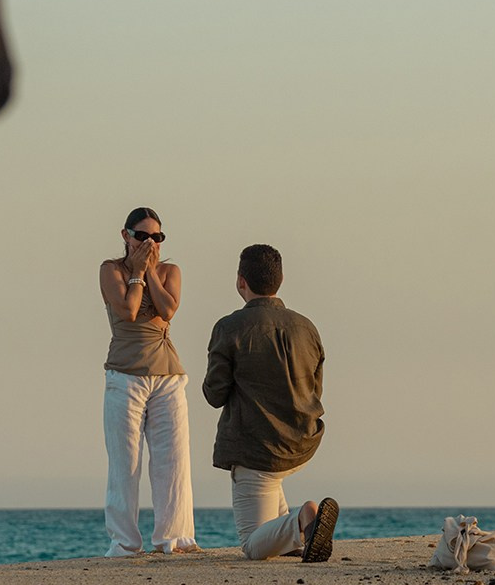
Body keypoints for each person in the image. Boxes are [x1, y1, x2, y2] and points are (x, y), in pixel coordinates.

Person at [203, 244, 338, 562]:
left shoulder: (230, 328)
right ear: (280, 279)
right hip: (302, 443)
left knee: (251, 544)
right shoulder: (306, 327)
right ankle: (292, 536)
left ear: (241, 282)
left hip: (257, 450)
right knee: (271, 488)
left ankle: (303, 519)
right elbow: (315, 389)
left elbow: (214, 395)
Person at [98, 207, 197, 557]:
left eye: (157, 237)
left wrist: (150, 270)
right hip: (125, 375)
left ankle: (175, 538)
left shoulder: (170, 270)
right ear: (126, 236)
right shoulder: (111, 270)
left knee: (173, 460)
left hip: (167, 375)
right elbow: (127, 309)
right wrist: (137, 272)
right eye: (142, 236)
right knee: (125, 462)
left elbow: (168, 309)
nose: (150, 242)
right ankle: (124, 544)